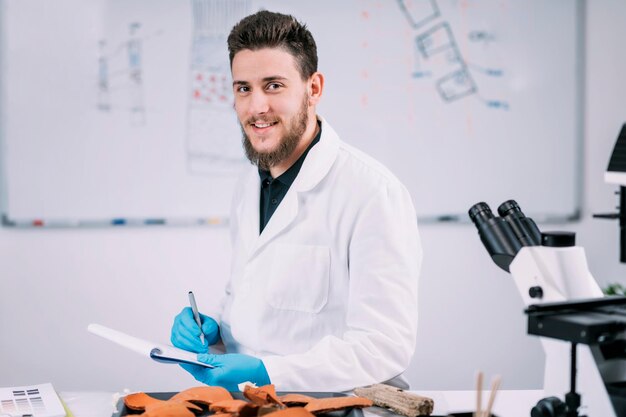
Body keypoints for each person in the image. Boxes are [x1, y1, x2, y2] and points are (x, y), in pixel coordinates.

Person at [170, 10, 422, 393]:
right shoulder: (251, 182)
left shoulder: (373, 193)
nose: (256, 108)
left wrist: (268, 373)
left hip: (330, 404)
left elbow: (384, 347)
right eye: (243, 88)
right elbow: (249, 295)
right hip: (251, 402)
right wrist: (213, 329)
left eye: (273, 86)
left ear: (314, 88)